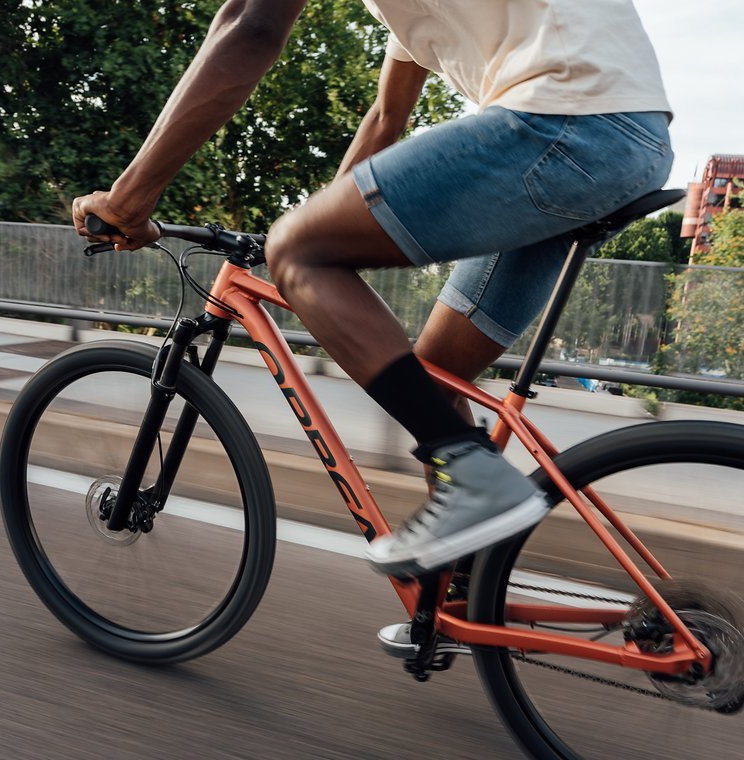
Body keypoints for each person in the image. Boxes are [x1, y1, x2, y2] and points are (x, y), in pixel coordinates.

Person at [73, 1, 673, 584]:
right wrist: (314, 223)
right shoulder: (415, 16)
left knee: (300, 254)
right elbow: (387, 118)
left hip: (566, 124)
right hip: (623, 140)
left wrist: (131, 199)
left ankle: (474, 477)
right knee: (437, 379)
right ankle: (463, 589)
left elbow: (248, 25)